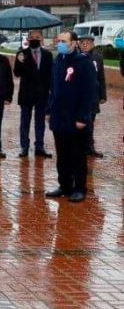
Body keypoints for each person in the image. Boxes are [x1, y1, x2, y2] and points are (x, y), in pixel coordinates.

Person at [46, 30, 96, 203]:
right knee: (62, 155)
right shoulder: (58, 60)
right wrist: (49, 110)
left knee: (77, 155)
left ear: (74, 43)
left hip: (76, 118)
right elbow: (53, 88)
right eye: (59, 40)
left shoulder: (83, 62)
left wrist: (83, 117)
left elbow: (88, 92)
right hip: (59, 117)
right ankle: (65, 186)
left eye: (64, 41)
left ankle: (80, 188)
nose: (60, 43)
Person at [13, 30, 53, 158]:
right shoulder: (22, 54)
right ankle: (24, 147)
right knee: (25, 121)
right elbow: (17, 73)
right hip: (26, 93)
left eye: (37, 37)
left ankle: (39, 147)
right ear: (28, 39)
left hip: (42, 94)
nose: (35, 39)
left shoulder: (48, 55)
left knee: (40, 122)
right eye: (32, 37)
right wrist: (20, 61)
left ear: (41, 38)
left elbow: (50, 75)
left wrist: (51, 91)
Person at [78, 34, 107, 158]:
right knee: (80, 123)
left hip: (93, 96)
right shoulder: (76, 58)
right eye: (82, 42)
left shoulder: (98, 58)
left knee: (91, 122)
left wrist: (103, 95)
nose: (85, 44)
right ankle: (79, 147)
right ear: (79, 44)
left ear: (93, 44)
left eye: (88, 42)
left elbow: (101, 77)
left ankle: (90, 147)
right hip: (79, 97)